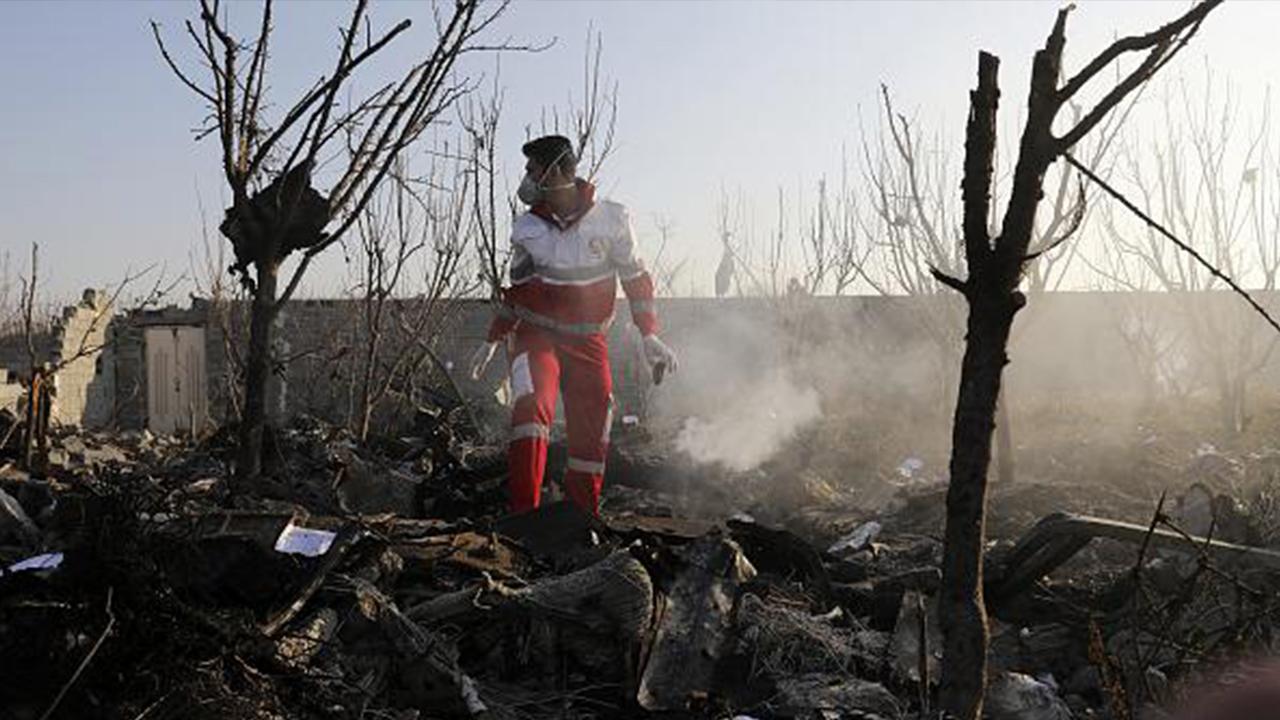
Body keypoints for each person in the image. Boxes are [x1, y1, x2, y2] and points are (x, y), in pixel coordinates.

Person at [469, 135, 678, 515]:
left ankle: (581, 518)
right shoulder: (527, 228)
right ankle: (524, 518)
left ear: (559, 170)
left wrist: (649, 333)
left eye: (534, 169)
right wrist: (494, 338)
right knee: (531, 410)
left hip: (587, 340)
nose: (528, 178)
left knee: (594, 420)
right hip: (536, 336)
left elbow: (635, 277)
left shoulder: (612, 220)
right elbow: (517, 293)